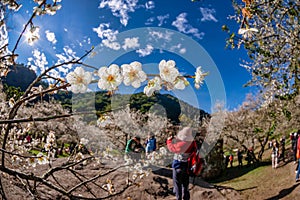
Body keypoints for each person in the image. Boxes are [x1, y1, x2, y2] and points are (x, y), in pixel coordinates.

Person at [167, 127, 197, 200]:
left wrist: (169, 141)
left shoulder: (181, 144)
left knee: (177, 184)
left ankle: (179, 198)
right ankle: (186, 198)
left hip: (178, 165)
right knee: (185, 184)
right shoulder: (192, 143)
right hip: (186, 166)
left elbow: (172, 148)